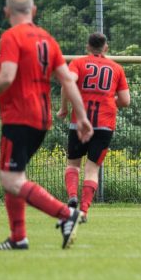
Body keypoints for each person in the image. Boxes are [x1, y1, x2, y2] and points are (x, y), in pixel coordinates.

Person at [0, 0, 92, 250]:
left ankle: (67, 213)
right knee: (14, 176)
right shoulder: (47, 39)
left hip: (19, 117)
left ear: (6, 12)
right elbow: (67, 80)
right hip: (41, 119)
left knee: (11, 180)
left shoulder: (11, 37)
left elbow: (6, 77)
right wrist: (81, 117)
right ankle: (18, 238)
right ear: (33, 11)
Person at [56, 33, 130, 223]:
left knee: (73, 164)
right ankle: (84, 211)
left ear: (87, 47)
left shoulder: (78, 63)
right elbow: (125, 101)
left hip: (80, 121)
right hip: (105, 123)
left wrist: (64, 107)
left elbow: (67, 81)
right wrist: (109, 99)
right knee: (92, 169)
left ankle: (72, 196)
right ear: (106, 48)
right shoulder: (116, 68)